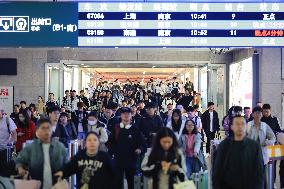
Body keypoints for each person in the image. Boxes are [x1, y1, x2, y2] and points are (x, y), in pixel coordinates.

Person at [212, 115, 264, 189]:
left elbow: (259, 173)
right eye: (237, 124)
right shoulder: (224, 145)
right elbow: (217, 171)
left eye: (242, 124)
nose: (240, 126)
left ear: (246, 127)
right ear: (232, 127)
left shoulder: (254, 146)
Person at [16, 118, 68, 189]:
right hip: (36, 185)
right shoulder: (31, 147)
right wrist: (20, 169)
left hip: (56, 185)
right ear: (37, 132)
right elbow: (19, 160)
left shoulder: (60, 147)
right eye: (43, 128)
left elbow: (68, 165)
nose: (46, 131)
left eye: (48, 128)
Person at [108, 107, 146, 189]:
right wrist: (113, 153)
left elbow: (143, 145)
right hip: (118, 161)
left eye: (128, 114)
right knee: (117, 183)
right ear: (120, 115)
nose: (126, 115)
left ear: (131, 115)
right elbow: (110, 143)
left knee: (131, 183)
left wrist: (140, 149)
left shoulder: (135, 130)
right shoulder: (116, 128)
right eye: (123, 114)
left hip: (131, 162)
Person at [0, 109, 17, 176]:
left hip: (7, 149)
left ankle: (8, 182)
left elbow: (14, 133)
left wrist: (12, 143)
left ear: (1, 112)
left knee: (7, 167)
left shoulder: (7, 120)